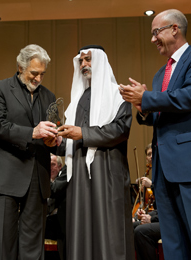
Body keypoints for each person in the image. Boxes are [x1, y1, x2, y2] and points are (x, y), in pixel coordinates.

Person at [119, 9, 191, 260]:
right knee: (173, 244)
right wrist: (144, 108)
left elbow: (190, 98)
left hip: (190, 166)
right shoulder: (160, 74)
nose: (152, 39)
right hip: (163, 170)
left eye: (156, 32)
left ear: (174, 29)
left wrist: (147, 98)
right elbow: (162, 113)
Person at [56, 45, 134, 260]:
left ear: (100, 61)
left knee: (109, 231)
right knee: (81, 229)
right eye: (80, 61)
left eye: (88, 59)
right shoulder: (76, 101)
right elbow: (69, 143)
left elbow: (120, 130)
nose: (83, 65)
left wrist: (81, 133)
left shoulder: (118, 94)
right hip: (79, 174)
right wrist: (55, 141)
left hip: (107, 171)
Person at [0, 44, 58, 260]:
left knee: (34, 243)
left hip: (37, 174)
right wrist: (32, 133)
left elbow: (52, 130)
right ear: (20, 67)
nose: (38, 79)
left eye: (42, 74)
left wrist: (55, 138)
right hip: (6, 173)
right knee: (2, 241)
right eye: (34, 73)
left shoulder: (49, 96)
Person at [46, 154, 68, 260]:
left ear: (60, 166)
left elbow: (54, 191)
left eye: (53, 165)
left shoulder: (63, 178)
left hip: (59, 225)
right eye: (47, 165)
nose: (50, 168)